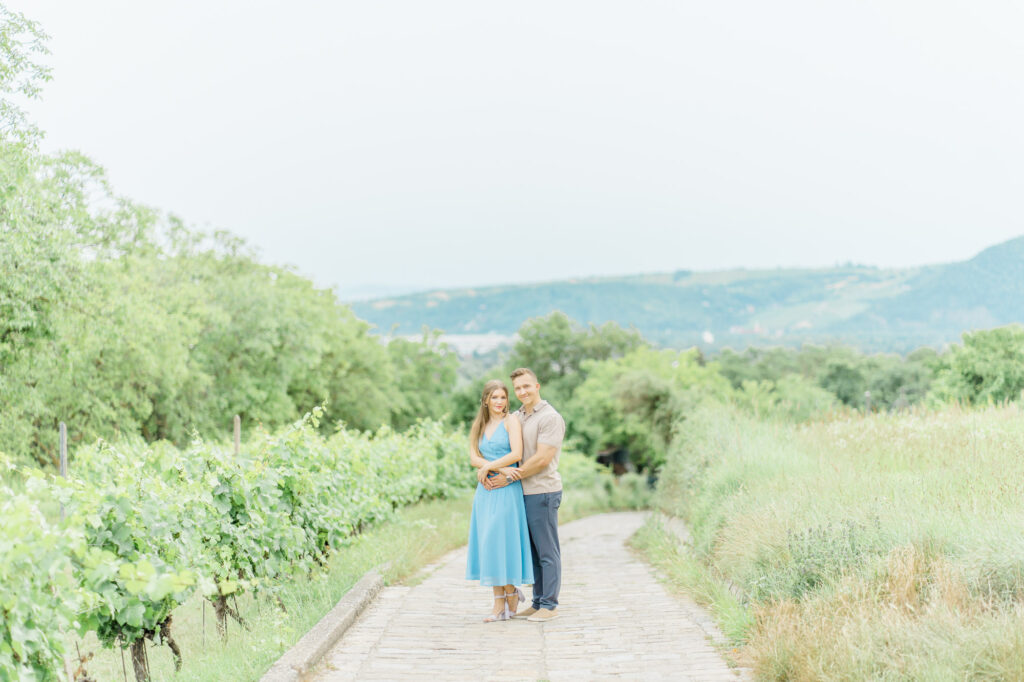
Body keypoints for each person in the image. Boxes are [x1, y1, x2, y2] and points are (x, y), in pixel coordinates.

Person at [484, 367, 565, 622]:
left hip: (543, 490)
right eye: (518, 388)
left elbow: (542, 459)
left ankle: (549, 605)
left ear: (537, 386)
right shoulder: (518, 416)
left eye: (526, 386)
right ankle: (538, 601)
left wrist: (509, 475)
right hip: (521, 492)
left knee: (547, 551)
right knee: (533, 552)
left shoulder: (550, 418)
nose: (522, 392)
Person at [465, 379, 534, 622]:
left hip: (507, 490)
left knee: (502, 541)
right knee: (489, 544)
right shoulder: (480, 424)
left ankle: (511, 592)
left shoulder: (511, 421)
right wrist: (494, 469)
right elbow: (474, 458)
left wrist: (495, 468)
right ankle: (498, 604)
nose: (499, 402)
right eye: (494, 397)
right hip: (486, 490)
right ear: (485, 400)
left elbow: (516, 454)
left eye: (503, 397)